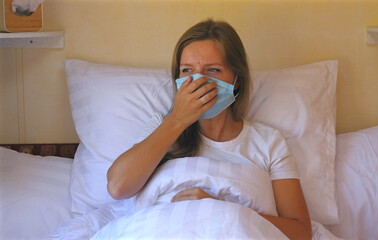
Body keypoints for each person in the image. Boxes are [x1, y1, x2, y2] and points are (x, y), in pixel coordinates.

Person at [107, 19, 312, 239]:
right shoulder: (162, 128)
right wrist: (177, 120)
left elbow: (301, 232)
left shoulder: (268, 142)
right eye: (187, 71)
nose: (198, 81)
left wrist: (221, 208)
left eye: (213, 69)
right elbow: (118, 188)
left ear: (236, 80)